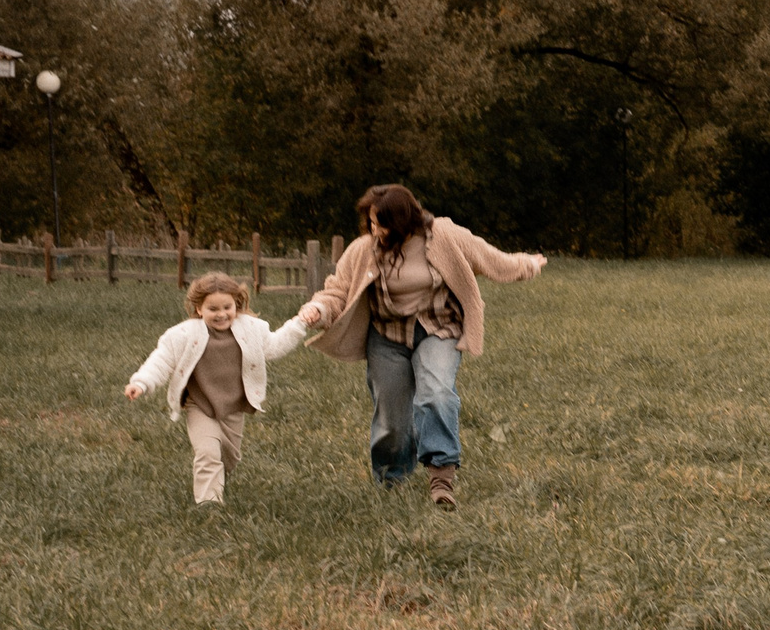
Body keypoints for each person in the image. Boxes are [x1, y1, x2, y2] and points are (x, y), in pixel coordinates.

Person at [299, 184, 546, 509]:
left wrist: (528, 264)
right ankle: (391, 480)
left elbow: (491, 259)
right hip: (387, 336)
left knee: (437, 394)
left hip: (437, 330)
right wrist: (319, 309)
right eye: (371, 222)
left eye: (381, 223)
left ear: (405, 220)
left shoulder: (444, 235)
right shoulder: (364, 248)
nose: (375, 230)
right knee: (392, 417)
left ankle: (441, 480)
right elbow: (338, 290)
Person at [125, 272, 315, 505]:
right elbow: (162, 360)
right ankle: (209, 505)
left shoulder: (252, 329)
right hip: (200, 405)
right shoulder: (183, 335)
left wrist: (299, 323)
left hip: (233, 406)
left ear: (237, 305)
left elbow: (275, 346)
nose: (222, 314)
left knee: (229, 458)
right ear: (199, 309)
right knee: (207, 454)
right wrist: (141, 382)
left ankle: (219, 477)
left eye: (227, 307)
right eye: (213, 309)